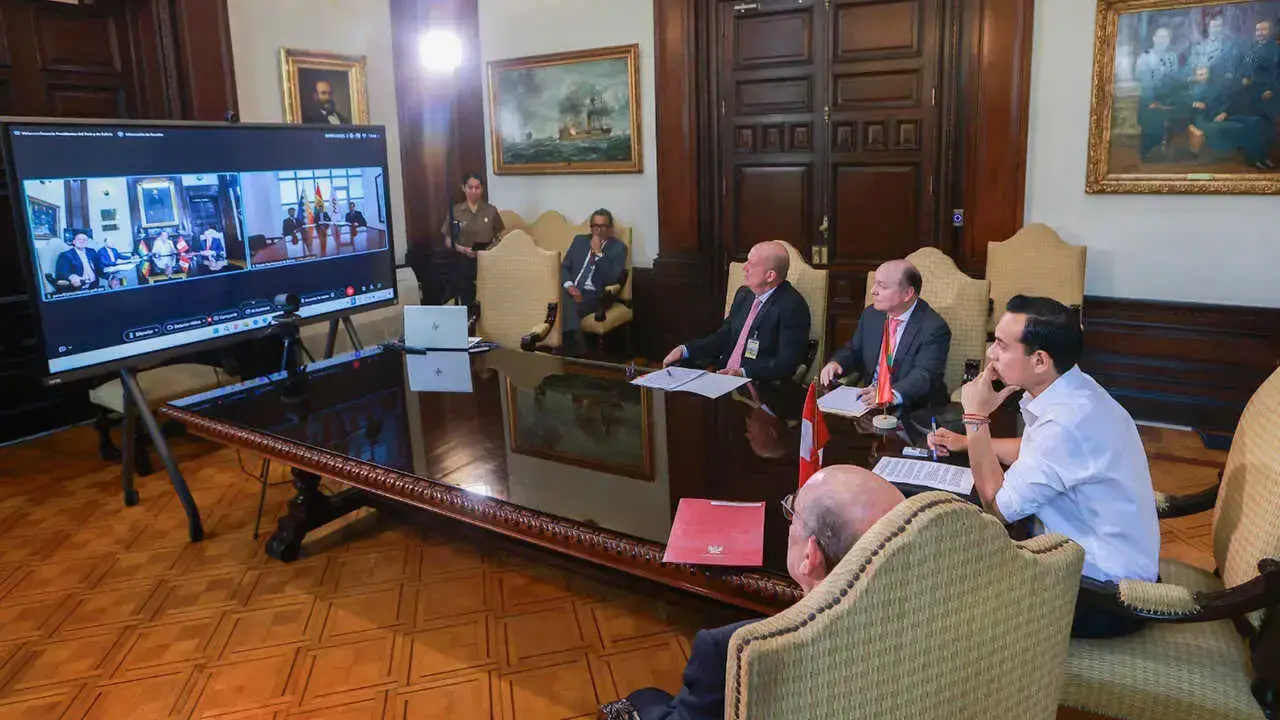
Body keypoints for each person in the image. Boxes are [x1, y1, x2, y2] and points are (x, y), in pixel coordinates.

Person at [927, 295, 1159, 638]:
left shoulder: (1067, 422)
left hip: (1103, 594)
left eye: (1002, 346)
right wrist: (969, 443)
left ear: (1039, 360)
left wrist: (976, 419)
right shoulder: (1075, 390)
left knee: (948, 587)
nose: (991, 353)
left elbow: (997, 508)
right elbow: (1040, 454)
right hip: (1096, 564)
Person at [618, 466, 905, 720]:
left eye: (794, 514)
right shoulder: (924, 623)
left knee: (642, 700)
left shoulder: (730, 650)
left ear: (810, 556)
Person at [662, 240, 810, 382]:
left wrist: (742, 372)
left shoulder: (793, 307)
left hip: (758, 387)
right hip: (722, 377)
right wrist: (685, 350)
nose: (744, 267)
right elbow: (723, 337)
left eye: (751, 264)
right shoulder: (744, 295)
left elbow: (785, 364)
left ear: (770, 275)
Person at [818, 259, 951, 411]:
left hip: (912, 410)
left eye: (882, 286)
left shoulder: (934, 328)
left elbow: (924, 375)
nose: (873, 291)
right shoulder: (872, 315)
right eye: (875, 283)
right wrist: (837, 363)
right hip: (868, 405)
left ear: (907, 293)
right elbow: (855, 349)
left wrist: (889, 394)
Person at [560, 208, 628, 354]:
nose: (599, 230)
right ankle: (574, 350)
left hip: (593, 295)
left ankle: (573, 352)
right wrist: (570, 286)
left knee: (567, 306)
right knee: (557, 302)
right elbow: (564, 268)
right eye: (595, 226)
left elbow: (613, 279)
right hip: (570, 290)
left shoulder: (618, 248)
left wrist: (598, 253)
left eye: (603, 226)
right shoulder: (579, 241)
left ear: (610, 229)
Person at [440, 173, 504, 309]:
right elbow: (448, 240)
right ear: (464, 188)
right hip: (463, 260)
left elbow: (500, 236)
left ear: (482, 189)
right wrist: (463, 249)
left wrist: (491, 249)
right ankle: (470, 325)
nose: (474, 191)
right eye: (470, 187)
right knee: (467, 299)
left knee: (488, 301)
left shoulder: (491, 211)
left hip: (487, 260)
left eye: (477, 188)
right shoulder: (455, 212)